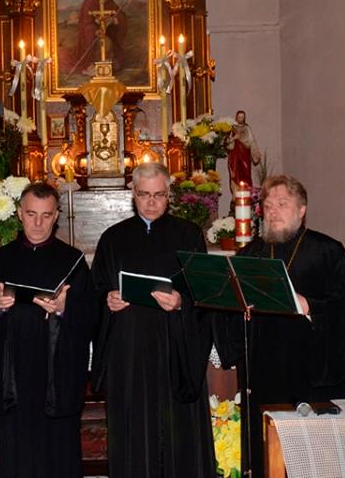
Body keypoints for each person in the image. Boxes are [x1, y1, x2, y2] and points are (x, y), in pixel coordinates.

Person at [214, 175, 345, 476]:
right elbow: (226, 307)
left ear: (302, 210)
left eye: (282, 204)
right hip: (265, 371)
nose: (273, 212)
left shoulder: (328, 251)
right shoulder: (252, 253)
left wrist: (311, 307)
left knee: (316, 458)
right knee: (267, 452)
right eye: (268, 205)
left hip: (313, 370)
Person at [91, 162, 216, 477]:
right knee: (133, 430)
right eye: (144, 194)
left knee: (178, 434)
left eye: (159, 195)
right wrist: (108, 299)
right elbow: (95, 290)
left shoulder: (188, 234)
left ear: (169, 194)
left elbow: (205, 294)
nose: (151, 202)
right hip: (129, 351)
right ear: (133, 193)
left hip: (174, 347)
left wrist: (181, 302)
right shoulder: (113, 238)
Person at [0, 182, 95, 477]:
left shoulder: (73, 261)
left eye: (46, 215)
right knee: (18, 455)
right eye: (32, 214)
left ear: (56, 216)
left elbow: (91, 316)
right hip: (13, 376)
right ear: (20, 214)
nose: (38, 223)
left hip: (56, 375)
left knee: (59, 455)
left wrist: (64, 309)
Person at [73, 0, 128, 74]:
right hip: (94, 34)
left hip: (108, 32)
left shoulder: (108, 0)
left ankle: (110, 61)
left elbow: (119, 14)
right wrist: (96, 31)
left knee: (110, 41)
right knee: (93, 36)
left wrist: (114, 20)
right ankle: (90, 64)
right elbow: (86, 24)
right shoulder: (88, 3)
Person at [226, 110, 261, 196]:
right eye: (239, 117)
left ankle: (247, 193)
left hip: (245, 155)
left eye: (242, 117)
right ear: (236, 117)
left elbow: (252, 141)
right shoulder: (232, 128)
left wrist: (255, 154)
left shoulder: (247, 128)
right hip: (235, 156)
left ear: (244, 118)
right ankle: (235, 195)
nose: (240, 118)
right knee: (235, 174)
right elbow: (227, 143)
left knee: (246, 174)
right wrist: (234, 138)